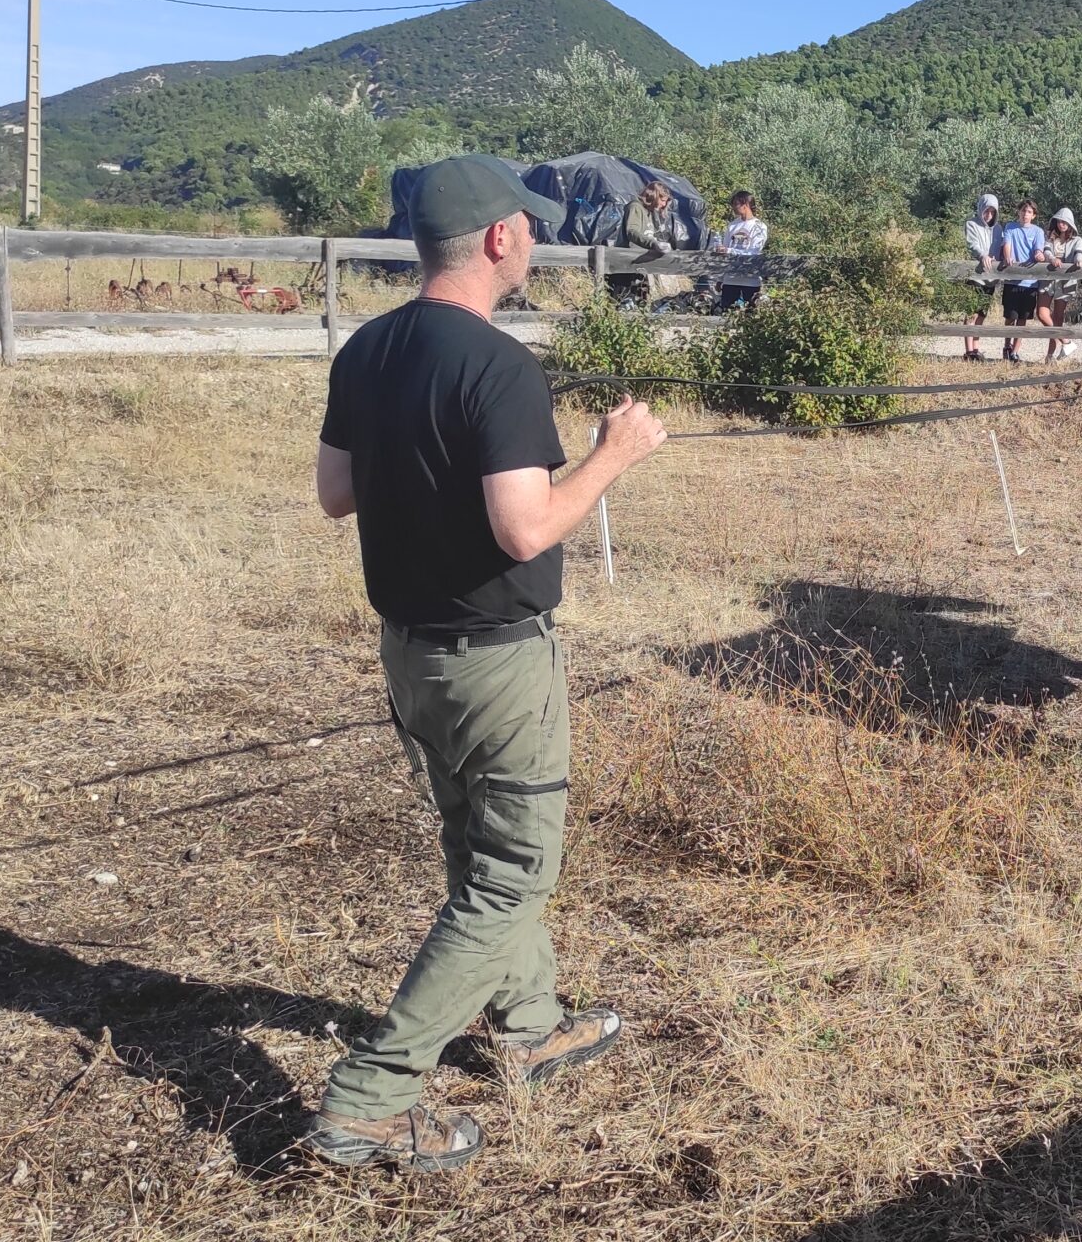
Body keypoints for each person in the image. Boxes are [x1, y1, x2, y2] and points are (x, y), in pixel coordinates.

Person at [307, 155, 666, 1172]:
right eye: (532, 226)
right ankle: (370, 1098)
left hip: (410, 655)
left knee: (477, 846)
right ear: (502, 238)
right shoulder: (499, 366)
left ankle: (529, 1023)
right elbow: (525, 529)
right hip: (497, 664)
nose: (538, 241)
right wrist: (614, 454)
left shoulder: (366, 349)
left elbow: (335, 494)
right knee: (511, 874)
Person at [990, 199, 1049, 362]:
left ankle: (1015, 352)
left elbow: (1039, 249)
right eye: (1023, 211)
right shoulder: (1010, 227)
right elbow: (1007, 245)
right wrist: (1008, 256)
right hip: (1012, 280)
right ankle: (1007, 346)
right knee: (1010, 317)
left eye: (1029, 212)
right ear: (1019, 212)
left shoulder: (1038, 231)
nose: (1025, 214)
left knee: (1023, 319)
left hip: (1030, 282)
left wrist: (1039, 254)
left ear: (1034, 215)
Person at [606, 182, 674, 307]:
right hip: (627, 263)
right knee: (622, 302)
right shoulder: (635, 207)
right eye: (663, 200)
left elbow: (648, 234)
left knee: (639, 302)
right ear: (653, 196)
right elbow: (632, 231)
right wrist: (653, 244)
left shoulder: (649, 212)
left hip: (640, 263)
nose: (664, 204)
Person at [1038, 207, 1082, 363]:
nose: (1061, 224)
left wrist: (1079, 261)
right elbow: (1046, 252)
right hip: (1048, 279)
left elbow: (1079, 253)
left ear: (1070, 223)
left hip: (1066, 282)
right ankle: (1066, 341)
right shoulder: (1050, 237)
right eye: (1059, 221)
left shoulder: (1076, 240)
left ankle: (1050, 356)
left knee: (1058, 318)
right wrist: (1052, 259)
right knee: (1042, 313)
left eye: (1065, 222)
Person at [712, 190, 769, 311]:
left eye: (736, 204)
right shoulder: (732, 225)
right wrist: (720, 279)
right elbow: (724, 254)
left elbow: (754, 252)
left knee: (752, 314)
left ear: (745, 204)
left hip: (750, 280)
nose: (733, 207)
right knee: (727, 312)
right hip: (730, 280)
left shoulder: (759, 226)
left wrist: (729, 251)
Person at [961, 194, 1001, 362]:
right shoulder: (971, 224)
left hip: (991, 278)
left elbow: (1001, 248)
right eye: (986, 211)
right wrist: (982, 255)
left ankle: (976, 349)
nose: (989, 215)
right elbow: (972, 244)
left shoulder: (998, 229)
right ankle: (969, 351)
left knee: (982, 314)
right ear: (980, 209)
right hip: (975, 275)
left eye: (992, 212)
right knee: (971, 313)